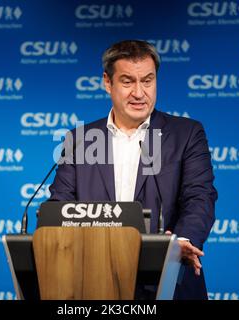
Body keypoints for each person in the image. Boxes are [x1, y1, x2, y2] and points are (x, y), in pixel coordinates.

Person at [48, 40, 217, 300]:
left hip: (167, 280)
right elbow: (60, 207)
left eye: (147, 81)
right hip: (95, 284)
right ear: (108, 82)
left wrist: (180, 242)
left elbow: (199, 196)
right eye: (127, 82)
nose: (139, 93)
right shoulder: (80, 140)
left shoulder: (186, 134)